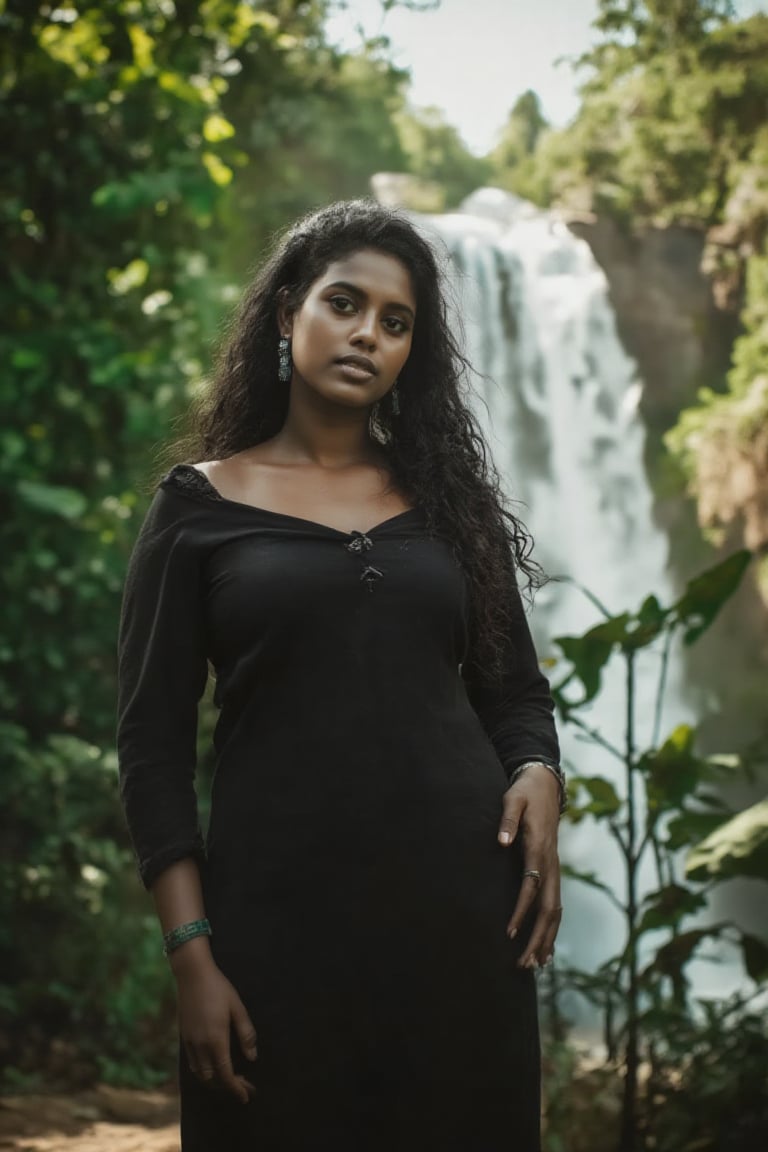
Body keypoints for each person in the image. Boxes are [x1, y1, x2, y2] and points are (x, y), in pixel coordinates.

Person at [117, 199, 564, 1152]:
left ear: (412, 352)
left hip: (462, 925)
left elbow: (514, 694)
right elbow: (152, 751)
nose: (368, 334)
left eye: (395, 322)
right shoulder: (197, 508)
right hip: (275, 935)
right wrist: (192, 957)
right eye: (345, 304)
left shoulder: (448, 503)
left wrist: (537, 772)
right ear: (288, 314)